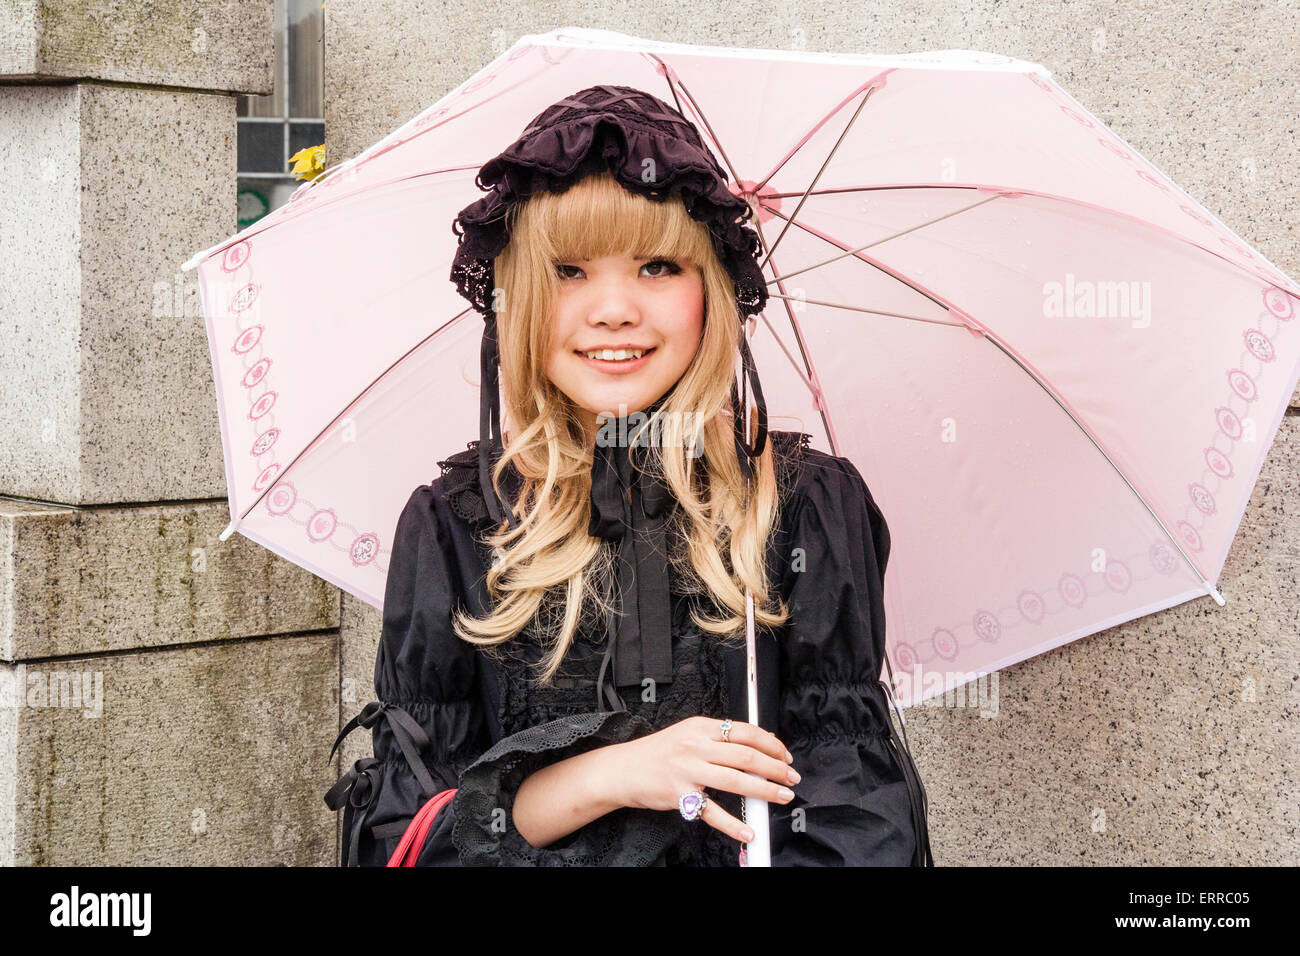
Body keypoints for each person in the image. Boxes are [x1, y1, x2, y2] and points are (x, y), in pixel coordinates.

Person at [325, 85, 933, 867]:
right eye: (569, 270)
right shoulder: (457, 526)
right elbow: (407, 842)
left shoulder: (802, 507)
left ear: (711, 291)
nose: (614, 309)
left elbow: (860, 818)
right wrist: (610, 775)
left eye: (657, 265)